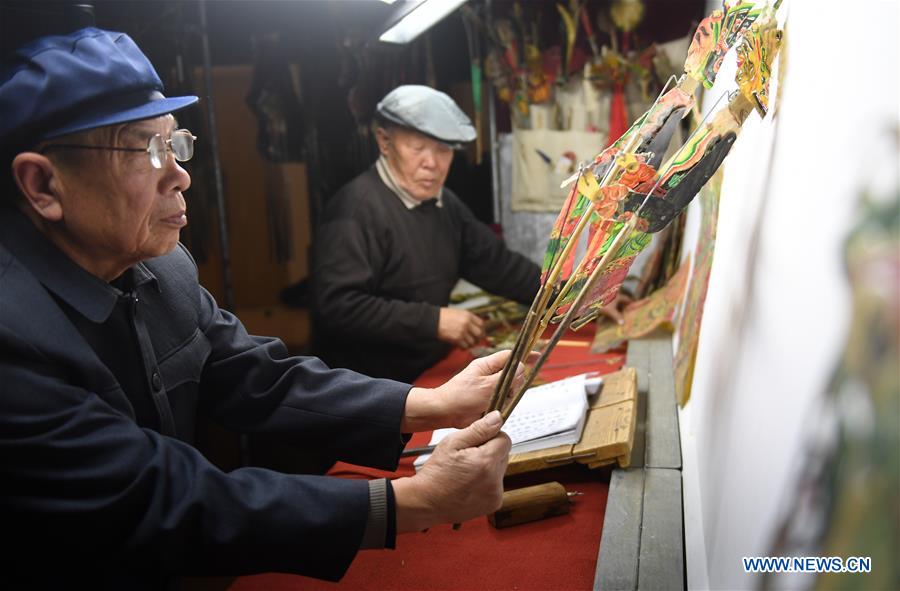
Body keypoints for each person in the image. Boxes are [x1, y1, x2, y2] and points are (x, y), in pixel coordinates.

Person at [0, 28, 519, 589]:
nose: (181, 175)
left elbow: (256, 377)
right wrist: (410, 501)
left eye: (175, 144)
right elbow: (158, 498)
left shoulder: (164, 266)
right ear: (42, 185)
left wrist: (433, 403)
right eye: (145, 150)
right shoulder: (13, 338)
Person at [313, 85, 541, 382]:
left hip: (430, 373)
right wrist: (433, 322)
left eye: (443, 149)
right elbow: (338, 308)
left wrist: (570, 297)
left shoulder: (444, 204)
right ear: (384, 142)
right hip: (370, 391)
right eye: (418, 147)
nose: (432, 163)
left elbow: (499, 266)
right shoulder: (354, 211)